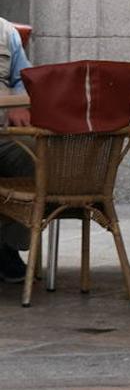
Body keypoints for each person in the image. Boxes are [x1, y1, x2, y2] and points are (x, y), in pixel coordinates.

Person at [0, 16, 34, 283]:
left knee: (34, 155)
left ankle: (7, 246)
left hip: (5, 132)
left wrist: (19, 104)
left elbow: (24, 80)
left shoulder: (5, 32)